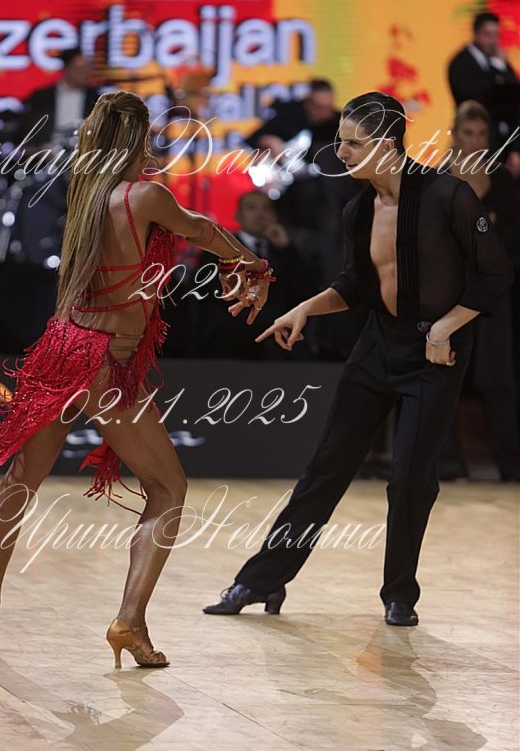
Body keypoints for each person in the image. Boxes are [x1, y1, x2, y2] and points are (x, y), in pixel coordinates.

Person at [0, 90, 274, 667]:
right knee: (168, 489)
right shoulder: (145, 194)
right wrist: (252, 262)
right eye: (148, 135)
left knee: (20, 481)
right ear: (137, 138)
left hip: (62, 347)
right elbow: (201, 228)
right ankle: (130, 621)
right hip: (107, 361)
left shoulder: (86, 192)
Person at [203, 91, 513, 627]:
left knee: (410, 478)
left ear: (387, 146)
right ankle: (263, 579)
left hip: (436, 353)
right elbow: (356, 285)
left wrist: (444, 328)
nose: (340, 153)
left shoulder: (448, 196)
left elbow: (495, 275)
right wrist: (304, 308)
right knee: (326, 466)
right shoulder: (358, 209)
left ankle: (399, 594)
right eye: (341, 141)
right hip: (379, 345)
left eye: (353, 143)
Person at [438, 101, 520, 482]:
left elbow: (513, 240)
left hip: (492, 294)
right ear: (455, 134)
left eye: (482, 134)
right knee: (444, 373)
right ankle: (448, 464)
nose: (475, 141)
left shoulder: (502, 182)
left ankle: (510, 465)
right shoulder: (438, 180)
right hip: (448, 292)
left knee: (498, 377)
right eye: (468, 133)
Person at [188, 190, 317, 360]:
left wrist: (286, 247)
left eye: (266, 208)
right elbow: (210, 298)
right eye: (251, 208)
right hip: (229, 343)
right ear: (238, 215)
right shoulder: (219, 250)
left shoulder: (282, 251)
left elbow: (305, 290)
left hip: (277, 346)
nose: (260, 214)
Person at [447, 12, 520, 175]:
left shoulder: (499, 63)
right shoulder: (461, 63)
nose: (493, 40)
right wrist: (498, 67)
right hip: (476, 144)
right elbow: (480, 99)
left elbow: (515, 99)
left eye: (496, 35)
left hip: (506, 145)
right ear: (475, 33)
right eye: (488, 34)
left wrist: (516, 147)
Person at [19, 46, 99, 148]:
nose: (85, 73)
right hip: (47, 154)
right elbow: (27, 131)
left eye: (88, 69)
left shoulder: (96, 99)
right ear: (67, 68)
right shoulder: (41, 97)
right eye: (80, 69)